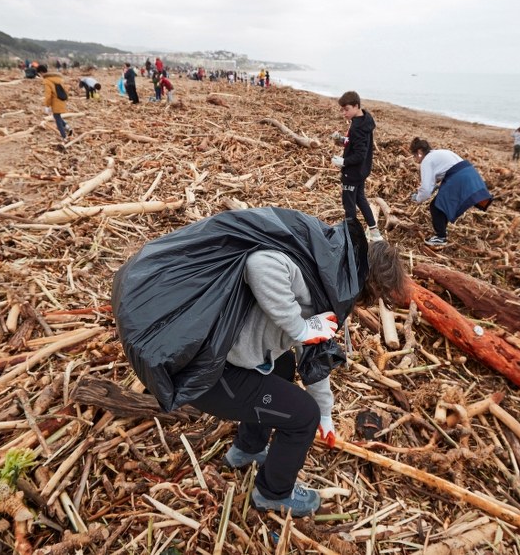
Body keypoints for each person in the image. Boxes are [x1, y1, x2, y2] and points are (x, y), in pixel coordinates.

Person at [112, 208, 407, 517]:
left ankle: (247, 450)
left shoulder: (329, 276)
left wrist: (327, 414)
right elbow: (260, 264)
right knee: (302, 416)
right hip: (207, 372)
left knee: (282, 369)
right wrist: (300, 329)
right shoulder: (315, 277)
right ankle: (272, 493)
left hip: (228, 359)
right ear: (368, 284)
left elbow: (316, 353)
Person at [409, 138, 494, 247]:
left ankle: (440, 237)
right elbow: (442, 173)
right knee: (442, 204)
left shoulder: (427, 160)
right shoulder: (439, 153)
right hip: (469, 173)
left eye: (414, 155)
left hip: (458, 178)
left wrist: (417, 198)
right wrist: (434, 188)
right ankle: (442, 232)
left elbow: (426, 190)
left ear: (419, 152)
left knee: (436, 206)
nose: (415, 159)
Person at [331, 91, 383, 242]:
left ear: (356, 106)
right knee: (360, 199)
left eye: (346, 109)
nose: (344, 113)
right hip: (362, 171)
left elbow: (360, 154)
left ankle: (352, 237)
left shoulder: (358, 127)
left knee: (349, 204)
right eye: (342, 109)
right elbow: (355, 143)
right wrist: (341, 139)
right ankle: (374, 232)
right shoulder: (364, 120)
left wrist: (343, 161)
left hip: (352, 173)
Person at [37, 64, 72, 143]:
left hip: (55, 101)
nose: (40, 75)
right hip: (61, 100)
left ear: (41, 72)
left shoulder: (47, 81)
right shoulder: (57, 78)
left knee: (57, 119)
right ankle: (68, 127)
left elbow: (48, 95)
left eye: (39, 73)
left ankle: (64, 136)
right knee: (57, 116)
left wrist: (47, 105)